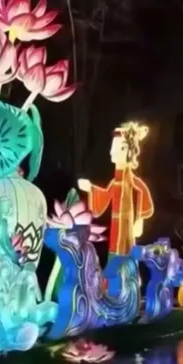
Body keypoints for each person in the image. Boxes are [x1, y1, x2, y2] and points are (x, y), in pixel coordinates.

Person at [78, 122, 154, 296]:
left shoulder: (132, 181)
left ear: (127, 151)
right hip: (115, 230)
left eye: (117, 148)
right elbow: (105, 196)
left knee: (125, 253)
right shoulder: (116, 181)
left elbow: (142, 191)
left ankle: (127, 286)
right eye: (112, 148)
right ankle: (113, 287)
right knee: (114, 252)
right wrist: (90, 188)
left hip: (126, 230)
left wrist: (140, 219)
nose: (112, 152)